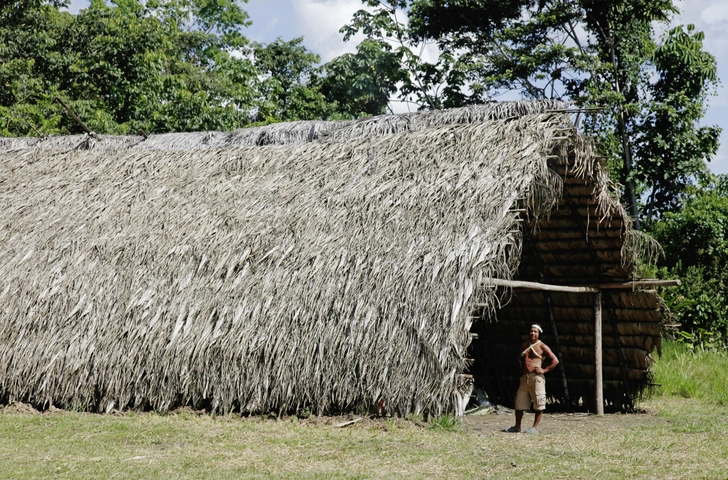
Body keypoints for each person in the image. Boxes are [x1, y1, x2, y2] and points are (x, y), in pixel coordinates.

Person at [504, 324, 559, 434]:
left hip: (536, 378)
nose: (533, 333)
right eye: (531, 331)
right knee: (519, 403)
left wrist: (544, 370)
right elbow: (519, 359)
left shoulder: (542, 346)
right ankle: (517, 426)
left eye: (535, 332)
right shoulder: (524, 345)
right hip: (525, 378)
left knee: (539, 403)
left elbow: (555, 360)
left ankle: (535, 428)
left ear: (539, 334)